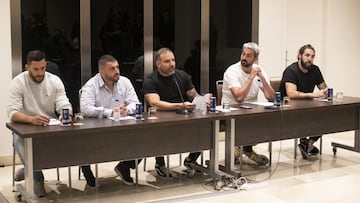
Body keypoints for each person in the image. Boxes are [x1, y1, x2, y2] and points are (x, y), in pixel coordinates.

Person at [7, 50, 73, 197]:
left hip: (48, 125)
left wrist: (66, 113)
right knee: (18, 139)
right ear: (27, 67)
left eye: (43, 68)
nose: (40, 73)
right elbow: (12, 113)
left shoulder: (54, 80)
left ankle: (28, 168)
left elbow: (63, 102)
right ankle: (37, 178)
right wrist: (31, 119)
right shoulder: (18, 82)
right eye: (36, 69)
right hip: (24, 126)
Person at [80, 54, 140, 188]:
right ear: (101, 71)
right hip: (97, 129)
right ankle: (87, 172)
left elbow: (136, 103)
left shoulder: (125, 82)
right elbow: (85, 109)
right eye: (112, 69)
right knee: (82, 141)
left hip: (122, 127)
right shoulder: (91, 85)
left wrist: (127, 110)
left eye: (117, 67)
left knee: (144, 136)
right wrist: (109, 112)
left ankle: (125, 167)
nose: (117, 71)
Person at [143, 48, 202, 178]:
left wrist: (202, 101)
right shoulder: (151, 80)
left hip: (182, 114)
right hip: (161, 118)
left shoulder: (182, 76)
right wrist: (179, 105)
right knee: (160, 131)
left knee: (204, 128)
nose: (172, 64)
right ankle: (160, 164)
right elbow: (155, 103)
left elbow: (193, 95)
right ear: (158, 64)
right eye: (167, 61)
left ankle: (191, 160)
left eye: (173, 60)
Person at [222, 42, 275, 165]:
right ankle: (245, 149)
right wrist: (251, 77)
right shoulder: (232, 71)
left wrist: (261, 77)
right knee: (252, 123)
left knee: (269, 124)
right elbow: (239, 97)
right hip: (231, 112)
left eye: (248, 55)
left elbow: (271, 97)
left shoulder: (259, 70)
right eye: (243, 54)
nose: (244, 58)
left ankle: (243, 149)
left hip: (250, 110)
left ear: (255, 58)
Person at [279, 44, 327, 159]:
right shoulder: (291, 71)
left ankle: (307, 143)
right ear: (299, 56)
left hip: (306, 107)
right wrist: (314, 95)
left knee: (326, 116)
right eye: (307, 55)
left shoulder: (315, 70)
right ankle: (306, 143)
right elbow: (291, 94)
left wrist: (325, 92)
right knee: (316, 118)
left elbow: (324, 88)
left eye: (312, 56)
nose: (310, 58)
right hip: (288, 109)